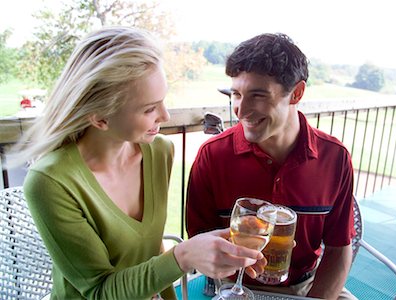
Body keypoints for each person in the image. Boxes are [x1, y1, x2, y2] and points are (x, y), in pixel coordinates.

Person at [7, 26, 266, 299]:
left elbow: (150, 249)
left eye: (163, 101)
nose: (165, 115)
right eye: (149, 108)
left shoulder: (158, 152)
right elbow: (99, 290)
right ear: (99, 118)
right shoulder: (50, 182)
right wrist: (184, 256)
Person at [186, 33, 356, 300]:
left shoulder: (335, 157)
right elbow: (198, 240)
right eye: (237, 94)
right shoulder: (212, 155)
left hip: (308, 286)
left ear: (296, 93)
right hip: (236, 285)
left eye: (258, 95)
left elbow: (339, 248)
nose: (240, 110)